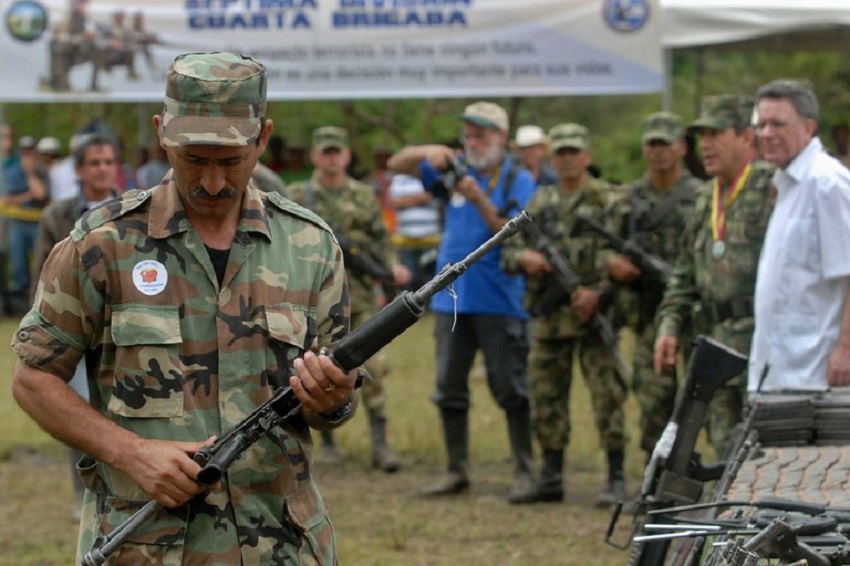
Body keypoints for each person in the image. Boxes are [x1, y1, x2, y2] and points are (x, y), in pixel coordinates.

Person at [11, 51, 357, 564]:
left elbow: (332, 404)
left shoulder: (311, 245)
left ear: (262, 138)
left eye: (231, 161)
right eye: (193, 158)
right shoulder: (103, 243)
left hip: (279, 544)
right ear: (162, 134)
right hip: (145, 545)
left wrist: (334, 400)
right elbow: (33, 379)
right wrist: (129, 452)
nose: (212, 183)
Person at [387, 101, 537, 502]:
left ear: (501, 137)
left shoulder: (517, 180)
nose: (473, 141)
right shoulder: (453, 173)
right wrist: (426, 152)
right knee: (449, 387)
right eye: (468, 134)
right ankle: (457, 472)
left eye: (482, 134)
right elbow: (396, 163)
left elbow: (515, 234)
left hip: (499, 299)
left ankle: (525, 471)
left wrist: (477, 198)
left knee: (510, 387)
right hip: (451, 300)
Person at [501, 123, 627, 506]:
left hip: (594, 316)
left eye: (575, 152)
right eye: (562, 153)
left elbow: (627, 257)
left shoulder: (610, 201)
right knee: (546, 398)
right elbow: (506, 253)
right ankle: (551, 476)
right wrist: (525, 258)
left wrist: (600, 294)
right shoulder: (539, 204)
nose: (569, 159)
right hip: (550, 320)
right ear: (552, 158)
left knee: (608, 397)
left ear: (587, 156)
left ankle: (616, 478)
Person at [654, 94, 775, 456]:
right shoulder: (704, 198)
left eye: (716, 133)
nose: (705, 145)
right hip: (714, 347)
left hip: (761, 347)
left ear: (745, 137)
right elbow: (684, 274)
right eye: (701, 135)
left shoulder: (772, 187)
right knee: (724, 449)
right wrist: (669, 326)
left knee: (767, 450)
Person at [288, 126, 409, 473]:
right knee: (314, 368)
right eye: (325, 152)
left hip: (360, 299)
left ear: (346, 155)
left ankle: (381, 445)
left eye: (336, 151)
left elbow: (381, 239)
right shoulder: (298, 195)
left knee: (376, 370)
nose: (331, 158)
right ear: (315, 156)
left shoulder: (362, 196)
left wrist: (392, 266)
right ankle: (325, 443)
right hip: (313, 301)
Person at [29, 132, 119, 521]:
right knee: (78, 414)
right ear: (79, 169)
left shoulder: (132, 209)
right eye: (94, 163)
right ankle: (83, 499)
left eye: (108, 162)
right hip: (73, 331)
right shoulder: (58, 216)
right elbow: (42, 273)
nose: (102, 169)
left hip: (121, 333)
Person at [604, 112, 701, 462]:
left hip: (694, 317)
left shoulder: (701, 197)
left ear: (681, 148)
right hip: (648, 316)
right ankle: (655, 478)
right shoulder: (627, 198)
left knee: (700, 399)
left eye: (666, 143)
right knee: (652, 399)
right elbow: (601, 246)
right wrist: (611, 263)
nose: (659, 151)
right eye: (652, 144)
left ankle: (695, 475)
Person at [748, 79, 850, 392]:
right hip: (777, 372)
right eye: (761, 124)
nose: (766, 134)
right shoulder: (787, 184)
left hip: (816, 377)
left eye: (778, 123)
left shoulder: (827, 184)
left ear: (808, 127)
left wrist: (846, 350)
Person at [1, 134, 50, 313]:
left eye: (30, 151)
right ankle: (19, 306)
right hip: (18, 224)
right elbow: (7, 199)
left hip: (37, 224)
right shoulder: (12, 171)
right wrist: (28, 195)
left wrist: (30, 174)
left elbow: (42, 194)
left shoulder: (41, 171)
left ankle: (38, 304)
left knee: (39, 263)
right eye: (24, 151)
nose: (27, 155)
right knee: (18, 266)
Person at [389, 172, 442, 292]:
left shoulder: (431, 174)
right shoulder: (399, 177)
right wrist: (419, 198)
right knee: (409, 276)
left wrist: (408, 199)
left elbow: (435, 194)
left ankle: (430, 307)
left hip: (430, 237)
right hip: (405, 237)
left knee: (432, 277)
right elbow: (394, 201)